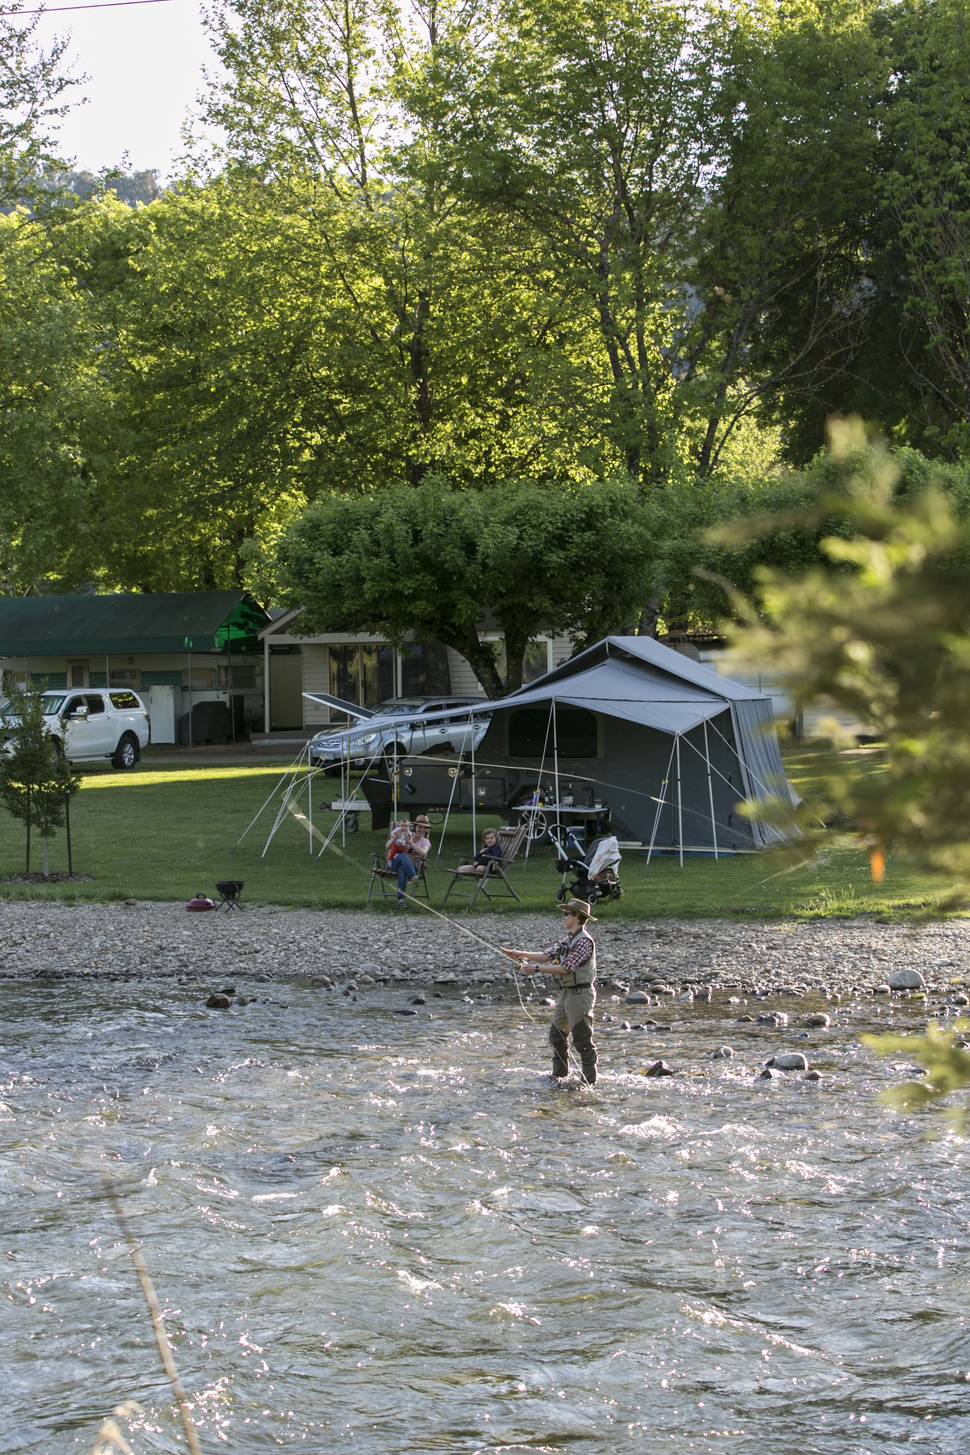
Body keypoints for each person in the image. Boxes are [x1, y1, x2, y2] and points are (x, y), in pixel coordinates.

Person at [502, 899, 598, 1086]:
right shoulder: (567, 939)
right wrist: (518, 954)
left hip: (580, 996)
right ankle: (560, 1077)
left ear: (577, 917)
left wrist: (536, 969)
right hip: (565, 995)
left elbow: (566, 968)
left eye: (566, 914)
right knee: (556, 1036)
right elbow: (547, 955)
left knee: (583, 1041)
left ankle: (589, 1082)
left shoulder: (584, 941)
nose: (563, 917)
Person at [388, 814, 432, 906]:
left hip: (414, 867)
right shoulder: (406, 834)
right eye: (420, 827)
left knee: (403, 869)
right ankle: (413, 877)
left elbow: (423, 852)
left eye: (425, 828)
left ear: (427, 830)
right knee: (403, 856)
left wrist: (411, 843)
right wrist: (395, 838)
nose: (422, 830)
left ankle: (401, 900)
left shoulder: (426, 842)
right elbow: (389, 846)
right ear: (415, 827)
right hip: (395, 864)